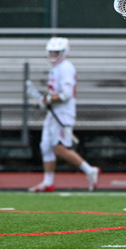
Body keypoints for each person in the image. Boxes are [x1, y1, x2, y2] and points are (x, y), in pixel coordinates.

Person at [28, 37, 100, 192]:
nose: (53, 55)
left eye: (56, 52)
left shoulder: (66, 67)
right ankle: (48, 182)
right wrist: (46, 100)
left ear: (64, 52)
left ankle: (89, 170)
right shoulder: (57, 68)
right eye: (51, 52)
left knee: (60, 148)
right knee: (45, 146)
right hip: (54, 113)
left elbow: (66, 94)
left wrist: (46, 99)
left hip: (63, 113)